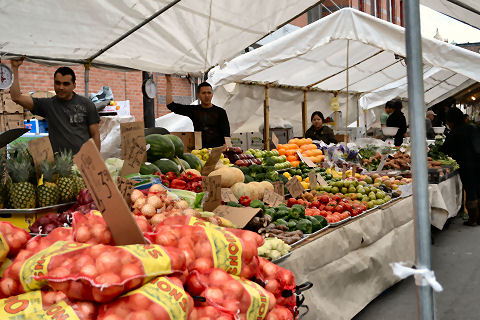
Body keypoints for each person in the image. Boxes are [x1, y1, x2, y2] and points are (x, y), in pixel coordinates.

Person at [9, 58, 100, 154]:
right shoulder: (48, 105)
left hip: (83, 163)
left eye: (66, 84)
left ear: (74, 85)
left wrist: (96, 162)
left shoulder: (87, 104)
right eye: (57, 83)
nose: (61, 87)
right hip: (59, 165)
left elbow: (95, 135)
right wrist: (14, 68)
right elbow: (16, 97)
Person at [165, 75, 230, 148]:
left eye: (209, 93)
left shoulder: (221, 112)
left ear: (212, 94)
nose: (207, 96)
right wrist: (168, 81)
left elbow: (227, 134)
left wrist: (227, 149)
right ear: (198, 95)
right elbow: (170, 105)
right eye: (204, 93)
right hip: (200, 151)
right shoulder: (194, 110)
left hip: (218, 152)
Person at [441, 107, 480, 226]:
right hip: (478, 162)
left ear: (451, 121)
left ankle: (473, 219)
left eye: (448, 121)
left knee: (471, 191)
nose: (448, 124)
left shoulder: (454, 133)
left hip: (466, 165)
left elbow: (444, 150)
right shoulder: (473, 127)